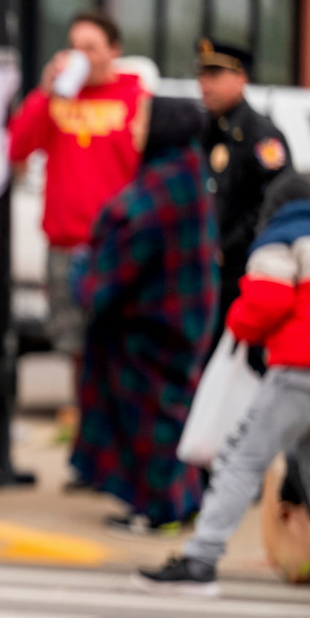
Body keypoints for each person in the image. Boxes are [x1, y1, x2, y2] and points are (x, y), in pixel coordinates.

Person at [137, 172, 310, 594]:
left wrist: (237, 326)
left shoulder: (283, 238)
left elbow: (268, 300)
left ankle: (201, 558)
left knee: (241, 461)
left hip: (298, 369)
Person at [6, 12, 146, 480]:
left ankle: (123, 453)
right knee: (76, 355)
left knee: (118, 354)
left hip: (114, 248)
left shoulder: (133, 98)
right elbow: (18, 147)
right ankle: (89, 455)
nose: (80, 55)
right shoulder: (58, 98)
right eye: (74, 45)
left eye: (91, 46)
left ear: (114, 50)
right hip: (64, 246)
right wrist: (46, 92)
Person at [70, 97, 217, 536]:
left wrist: (84, 275)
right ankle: (178, 502)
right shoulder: (187, 174)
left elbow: (119, 259)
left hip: (151, 326)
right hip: (177, 319)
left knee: (151, 420)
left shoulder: (159, 191)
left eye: (144, 122)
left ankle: (162, 509)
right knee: (167, 415)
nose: (134, 129)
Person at [199, 39, 289, 330]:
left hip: (241, 273)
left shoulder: (262, 135)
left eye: (215, 75)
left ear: (241, 78)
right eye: (202, 75)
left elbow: (275, 202)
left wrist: (228, 247)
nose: (205, 85)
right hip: (202, 273)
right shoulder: (202, 130)